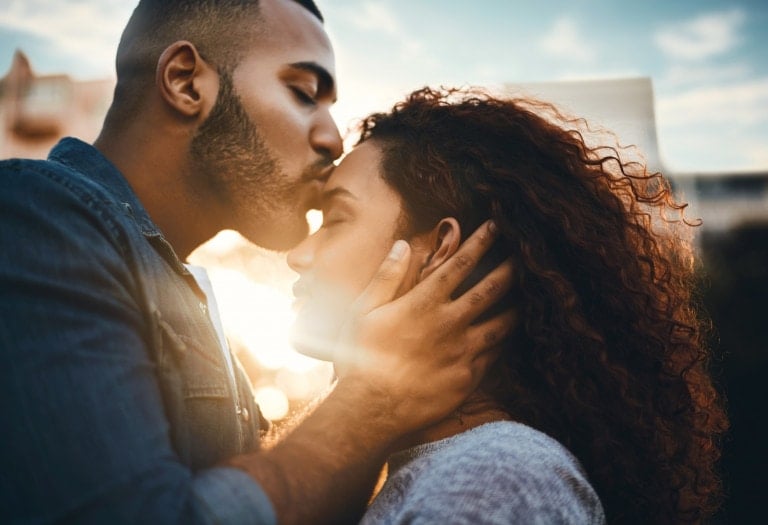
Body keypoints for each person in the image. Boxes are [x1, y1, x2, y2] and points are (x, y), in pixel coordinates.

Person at [0, 2, 514, 523]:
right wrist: (370, 401)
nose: (332, 139)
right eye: (304, 94)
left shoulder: (180, 290)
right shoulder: (32, 213)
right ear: (185, 82)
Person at [287, 86, 729, 524]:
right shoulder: (453, 469)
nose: (297, 255)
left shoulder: (493, 477)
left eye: (335, 219)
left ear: (441, 249)